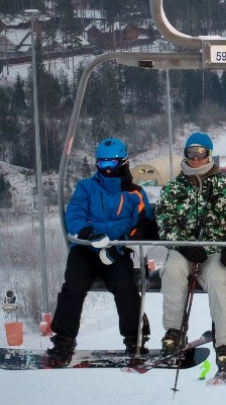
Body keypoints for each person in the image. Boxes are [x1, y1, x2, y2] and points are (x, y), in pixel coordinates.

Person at [47, 138, 156, 363]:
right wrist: (88, 233)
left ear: (123, 163)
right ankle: (64, 340)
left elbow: (145, 224)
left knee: (125, 287)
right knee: (73, 286)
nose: (107, 169)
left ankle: (135, 339)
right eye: (102, 163)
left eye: (112, 164)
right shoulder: (86, 187)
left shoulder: (135, 193)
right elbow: (74, 215)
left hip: (115, 251)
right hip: (86, 249)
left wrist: (125, 242)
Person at [158, 132, 226, 374]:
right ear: (186, 155)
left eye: (201, 153)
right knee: (172, 270)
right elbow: (165, 224)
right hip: (185, 250)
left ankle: (225, 343)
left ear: (209, 155)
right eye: (192, 153)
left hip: (215, 251)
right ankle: (174, 331)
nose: (197, 159)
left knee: (216, 280)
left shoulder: (224, 188)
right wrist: (182, 245)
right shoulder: (174, 189)